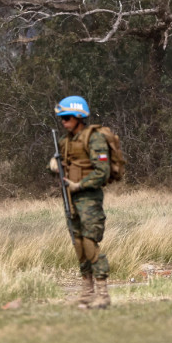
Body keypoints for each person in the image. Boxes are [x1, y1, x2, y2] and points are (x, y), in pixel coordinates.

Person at [49, 95, 112, 309]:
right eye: (62, 118)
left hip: (89, 199)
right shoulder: (65, 142)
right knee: (78, 244)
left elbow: (102, 172)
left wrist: (80, 185)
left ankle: (102, 293)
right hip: (70, 200)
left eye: (67, 117)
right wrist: (53, 165)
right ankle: (87, 291)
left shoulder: (94, 138)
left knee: (89, 243)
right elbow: (62, 168)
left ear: (79, 117)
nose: (64, 122)